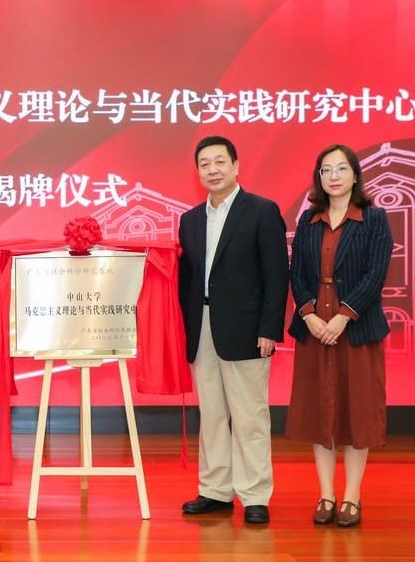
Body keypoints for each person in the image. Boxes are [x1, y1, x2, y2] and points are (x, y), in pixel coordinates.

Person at [178, 136, 289, 524]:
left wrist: (269, 328)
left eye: (219, 162)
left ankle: (255, 494)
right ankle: (215, 490)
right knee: (211, 415)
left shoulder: (261, 211)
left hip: (247, 328)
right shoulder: (190, 220)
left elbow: (276, 275)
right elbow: (187, 281)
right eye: (204, 164)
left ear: (236, 166)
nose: (212, 170)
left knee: (249, 416)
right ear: (197, 171)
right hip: (202, 327)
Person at [285, 144, 393, 527]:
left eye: (341, 168)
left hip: (356, 329)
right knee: (321, 412)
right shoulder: (309, 219)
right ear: (319, 177)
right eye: (326, 169)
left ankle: (352, 496)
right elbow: (297, 273)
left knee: (356, 412)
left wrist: (344, 316)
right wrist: (309, 313)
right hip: (315, 328)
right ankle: (326, 494)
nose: (333, 176)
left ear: (355, 174)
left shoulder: (374, 219)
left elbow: (375, 275)